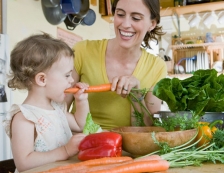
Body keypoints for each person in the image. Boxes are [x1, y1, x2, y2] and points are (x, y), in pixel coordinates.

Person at [65, 0, 167, 130]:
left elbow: (147, 130)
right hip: (82, 144)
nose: (125, 24)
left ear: (152, 24)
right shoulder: (82, 51)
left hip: (127, 148)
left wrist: (136, 95)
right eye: (120, 14)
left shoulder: (157, 67)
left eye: (136, 18)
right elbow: (58, 110)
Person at [3, 33, 90, 172]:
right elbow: (23, 163)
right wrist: (65, 151)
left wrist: (81, 101)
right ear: (42, 79)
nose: (71, 80)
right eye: (67, 75)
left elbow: (80, 125)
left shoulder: (57, 109)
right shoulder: (25, 117)